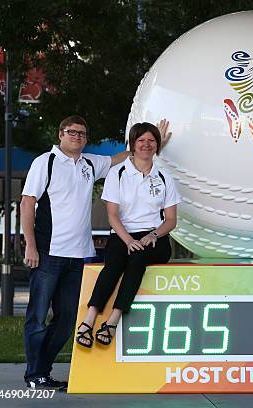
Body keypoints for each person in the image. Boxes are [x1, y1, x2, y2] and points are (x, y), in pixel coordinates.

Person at [21, 116, 171, 390]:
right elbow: (27, 203)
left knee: (66, 321)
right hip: (47, 253)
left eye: (82, 133)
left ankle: (43, 372)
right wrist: (30, 245)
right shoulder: (46, 162)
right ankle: (34, 375)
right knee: (38, 318)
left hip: (80, 255)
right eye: (72, 132)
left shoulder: (90, 163)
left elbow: (123, 156)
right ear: (60, 134)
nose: (77, 136)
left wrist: (154, 141)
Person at [75, 122, 180, 348]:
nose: (146, 145)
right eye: (141, 140)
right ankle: (89, 319)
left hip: (155, 237)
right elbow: (112, 215)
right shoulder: (118, 173)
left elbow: (171, 220)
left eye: (151, 140)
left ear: (158, 145)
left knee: (138, 258)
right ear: (132, 144)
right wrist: (129, 240)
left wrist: (152, 235)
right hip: (123, 234)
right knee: (113, 264)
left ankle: (113, 320)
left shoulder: (164, 177)